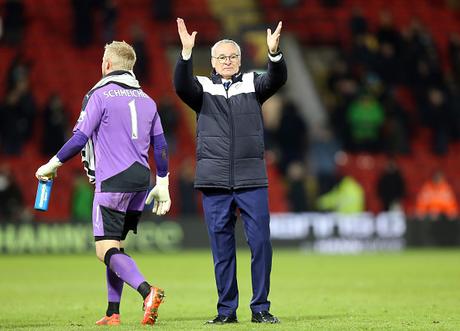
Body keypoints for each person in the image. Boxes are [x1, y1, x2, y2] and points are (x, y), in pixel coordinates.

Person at [35, 41, 171, 326]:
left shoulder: (98, 95)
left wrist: (52, 164)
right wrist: (163, 182)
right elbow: (160, 145)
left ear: (107, 65)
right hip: (140, 181)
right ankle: (113, 312)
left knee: (103, 251)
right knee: (116, 248)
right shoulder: (148, 100)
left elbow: (80, 138)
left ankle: (147, 292)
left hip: (112, 181)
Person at [174, 18, 287, 324]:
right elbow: (180, 86)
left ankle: (260, 308)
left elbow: (276, 79)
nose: (227, 61)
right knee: (222, 250)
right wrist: (185, 53)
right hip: (214, 181)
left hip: (251, 178)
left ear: (240, 60)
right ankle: (226, 312)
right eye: (221, 57)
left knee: (261, 244)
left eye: (232, 56)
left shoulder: (253, 83)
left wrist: (274, 55)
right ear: (212, 62)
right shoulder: (202, 87)